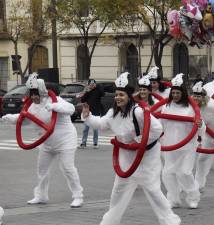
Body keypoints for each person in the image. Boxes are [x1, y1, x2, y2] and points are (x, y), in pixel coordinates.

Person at [81, 72, 181, 225]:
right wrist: (87, 116)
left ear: (128, 96)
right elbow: (100, 125)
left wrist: (139, 141)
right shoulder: (112, 113)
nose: (118, 98)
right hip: (126, 157)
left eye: (121, 95)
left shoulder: (138, 112)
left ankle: (170, 220)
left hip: (147, 156)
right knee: (118, 192)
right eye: (116, 95)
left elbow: (157, 129)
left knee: (153, 190)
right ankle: (109, 222)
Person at [0, 73, 84, 208]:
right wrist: (10, 118)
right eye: (31, 94)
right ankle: (41, 195)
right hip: (46, 142)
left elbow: (71, 109)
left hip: (65, 139)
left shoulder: (55, 100)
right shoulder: (32, 106)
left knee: (68, 168)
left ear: (42, 91)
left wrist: (55, 107)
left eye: (36, 93)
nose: (34, 97)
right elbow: (25, 119)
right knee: (42, 170)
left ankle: (78, 196)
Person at [160, 73, 201, 209]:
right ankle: (174, 198)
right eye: (173, 93)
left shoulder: (190, 108)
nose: (175, 95)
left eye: (178, 93)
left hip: (187, 146)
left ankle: (193, 197)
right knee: (167, 173)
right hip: (170, 145)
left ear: (182, 93)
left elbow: (199, 125)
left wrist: (200, 125)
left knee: (185, 172)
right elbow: (160, 125)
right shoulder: (166, 107)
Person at [79, 79, 104, 149]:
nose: (92, 86)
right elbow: (82, 100)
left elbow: (103, 94)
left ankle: (95, 143)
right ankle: (83, 143)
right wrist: (87, 92)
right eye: (91, 85)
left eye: (93, 84)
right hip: (88, 113)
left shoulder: (98, 90)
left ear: (95, 84)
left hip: (96, 113)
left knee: (95, 129)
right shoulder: (88, 91)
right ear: (88, 85)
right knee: (85, 129)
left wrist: (98, 86)